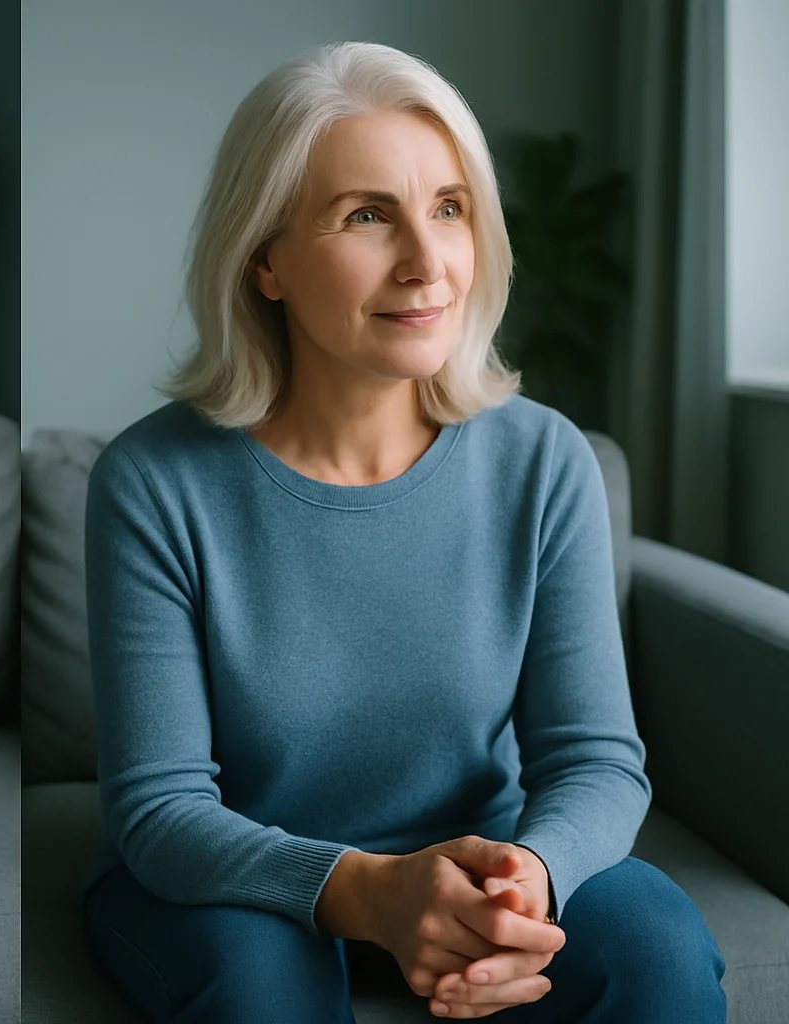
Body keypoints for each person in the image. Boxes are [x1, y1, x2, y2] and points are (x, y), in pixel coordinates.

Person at [82, 42, 726, 1022]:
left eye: (449, 209)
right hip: (245, 882)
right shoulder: (151, 483)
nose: (428, 264)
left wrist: (526, 881)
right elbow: (161, 812)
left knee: (662, 954)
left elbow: (596, 758)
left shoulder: (546, 462)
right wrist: (372, 893)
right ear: (265, 260)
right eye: (367, 216)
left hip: (482, 861)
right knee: (264, 988)